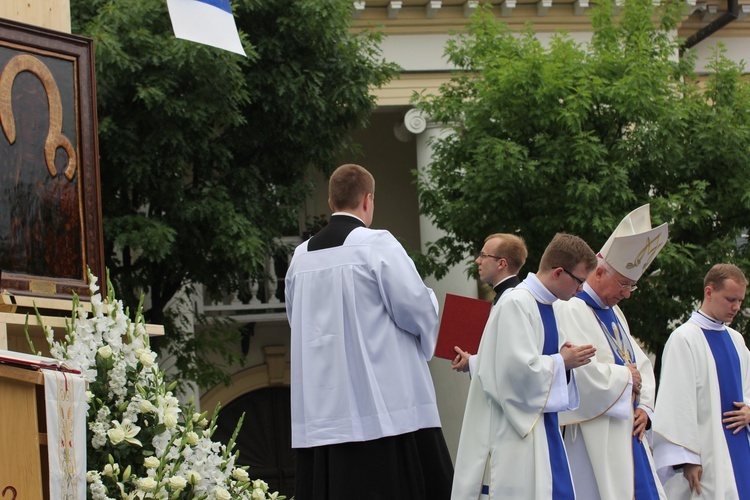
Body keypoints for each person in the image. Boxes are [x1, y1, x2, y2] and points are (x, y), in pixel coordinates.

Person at [285, 163, 453, 500]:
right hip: (383, 405)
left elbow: (295, 320)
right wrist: (428, 328)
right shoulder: (375, 244)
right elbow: (415, 307)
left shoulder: (300, 258)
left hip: (322, 407)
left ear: (331, 203)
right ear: (368, 200)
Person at [451, 232, 598, 499]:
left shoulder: (548, 305)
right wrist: (561, 362)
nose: (581, 290)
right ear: (558, 273)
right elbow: (513, 375)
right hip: (516, 432)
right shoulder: (517, 302)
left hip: (543, 426)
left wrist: (564, 360)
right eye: (579, 281)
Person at [555, 204, 668, 499]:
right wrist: (625, 379)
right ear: (600, 272)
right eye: (624, 284)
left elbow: (639, 362)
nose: (627, 293)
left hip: (629, 430)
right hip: (595, 437)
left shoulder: (614, 311)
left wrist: (645, 406)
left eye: (633, 286)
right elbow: (578, 371)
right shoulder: (569, 307)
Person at [652, 263, 750, 498]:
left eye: (740, 300)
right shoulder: (684, 338)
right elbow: (677, 402)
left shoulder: (737, 340)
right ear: (709, 292)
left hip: (740, 449)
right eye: (730, 299)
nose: (736, 307)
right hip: (705, 454)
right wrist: (687, 458)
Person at [452, 233, 528, 374]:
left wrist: (472, 361)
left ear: (501, 263)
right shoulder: (508, 298)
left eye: (483, 255)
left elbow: (512, 359)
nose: (477, 261)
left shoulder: (513, 301)